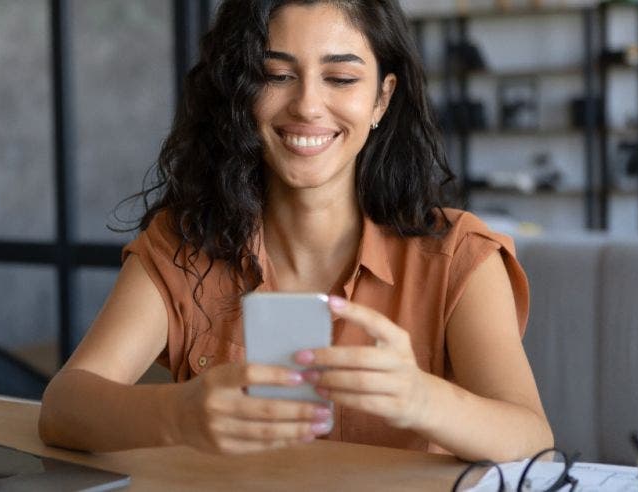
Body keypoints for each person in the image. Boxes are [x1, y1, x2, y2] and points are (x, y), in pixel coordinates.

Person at [39, 0, 553, 462]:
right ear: (241, 93)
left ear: (381, 98)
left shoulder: (457, 252)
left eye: (341, 79)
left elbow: (533, 441)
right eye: (276, 75)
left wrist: (422, 398)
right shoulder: (185, 242)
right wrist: (179, 414)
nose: (307, 105)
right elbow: (64, 406)